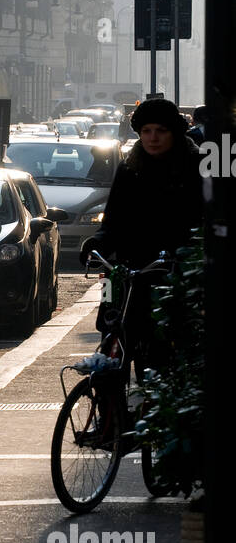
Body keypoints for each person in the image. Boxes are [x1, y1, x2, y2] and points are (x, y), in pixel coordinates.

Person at [80, 98, 202, 354]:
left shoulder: (194, 167)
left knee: (162, 346)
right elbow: (112, 219)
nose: (153, 138)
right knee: (110, 331)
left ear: (175, 133)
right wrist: (97, 243)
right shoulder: (129, 168)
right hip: (126, 269)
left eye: (160, 131)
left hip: (171, 269)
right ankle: (107, 384)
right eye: (146, 131)